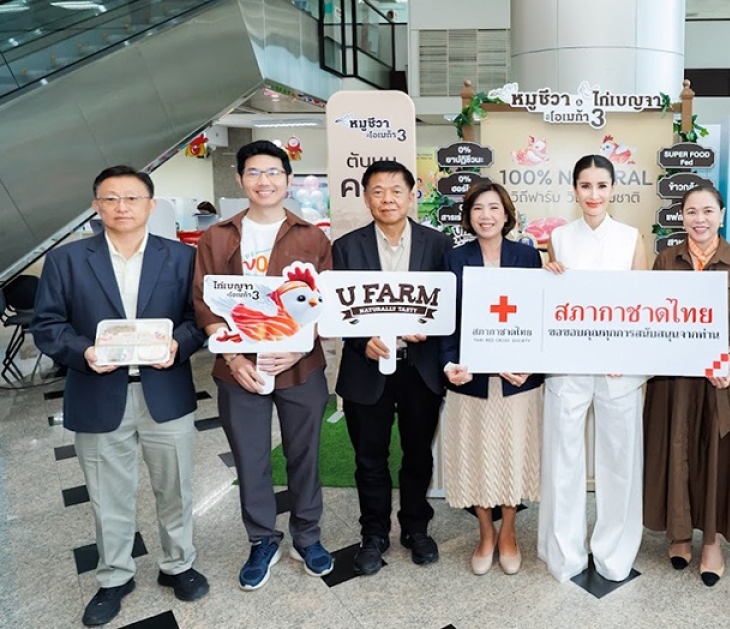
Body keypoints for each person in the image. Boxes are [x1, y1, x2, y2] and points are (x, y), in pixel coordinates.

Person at [32, 166, 209, 627]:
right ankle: (114, 576)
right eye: (110, 199)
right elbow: (47, 325)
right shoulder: (67, 260)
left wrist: (179, 345)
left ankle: (179, 564)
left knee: (176, 487)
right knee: (107, 495)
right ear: (96, 206)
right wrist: (84, 352)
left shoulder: (182, 257)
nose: (121, 207)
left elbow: (198, 320)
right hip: (96, 391)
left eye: (132, 198)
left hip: (165, 392)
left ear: (151, 205)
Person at [193, 140, 334, 590]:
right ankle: (261, 539)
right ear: (240, 179)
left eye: (273, 172)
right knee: (250, 457)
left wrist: (299, 348)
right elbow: (203, 302)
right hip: (239, 370)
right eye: (254, 172)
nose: (264, 181)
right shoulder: (217, 237)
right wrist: (233, 357)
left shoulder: (312, 237)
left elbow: (325, 304)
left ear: (288, 180)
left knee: (304, 454)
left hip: (300, 367)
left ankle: (307, 536)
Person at [643, 184, 730, 587]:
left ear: (722, 215)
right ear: (682, 217)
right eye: (692, 211)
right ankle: (679, 533)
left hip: (722, 378)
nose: (700, 219)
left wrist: (728, 354)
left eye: (708, 211)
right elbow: (650, 317)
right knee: (676, 450)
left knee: (716, 455)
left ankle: (711, 541)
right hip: (674, 380)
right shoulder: (666, 260)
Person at [333, 160, 452, 573]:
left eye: (396, 190)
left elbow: (449, 306)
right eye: (378, 191)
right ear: (366, 198)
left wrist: (429, 330)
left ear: (411, 195)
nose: (388, 199)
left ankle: (416, 528)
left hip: (419, 368)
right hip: (366, 369)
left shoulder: (438, 245)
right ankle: (374, 534)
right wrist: (360, 341)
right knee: (370, 458)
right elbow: (336, 310)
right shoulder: (346, 247)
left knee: (418, 454)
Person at [539, 154, 649, 583]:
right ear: (574, 189)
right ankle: (564, 553)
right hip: (568, 365)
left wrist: (630, 356)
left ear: (613, 189)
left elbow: (643, 305)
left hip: (618, 368)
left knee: (620, 460)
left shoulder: (631, 237)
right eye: (585, 186)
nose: (593, 194)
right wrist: (547, 274)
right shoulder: (559, 238)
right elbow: (549, 302)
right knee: (563, 459)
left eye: (602, 185)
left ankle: (615, 552)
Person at [441, 181, 544, 576]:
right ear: (468, 216)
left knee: (513, 456)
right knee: (476, 457)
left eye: (494, 208)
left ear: (506, 215)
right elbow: (446, 321)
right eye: (478, 208)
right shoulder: (454, 258)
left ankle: (509, 533)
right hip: (471, 380)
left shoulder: (527, 256)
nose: (486, 215)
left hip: (517, 380)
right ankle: (486, 532)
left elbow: (539, 316)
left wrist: (532, 364)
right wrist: (448, 363)